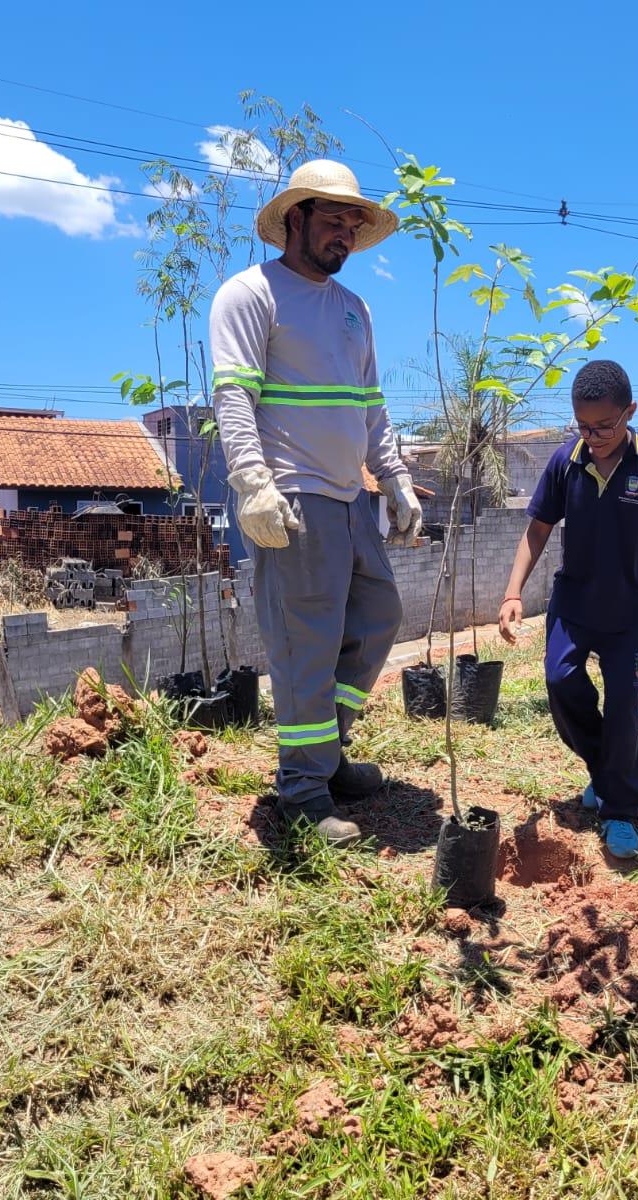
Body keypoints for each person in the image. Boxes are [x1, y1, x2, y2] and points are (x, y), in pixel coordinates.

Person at [210, 160, 424, 847]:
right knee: (306, 645)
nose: (345, 235)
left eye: (353, 225)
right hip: (291, 497)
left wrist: (394, 478)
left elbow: (370, 406)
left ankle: (326, 754)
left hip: (350, 497)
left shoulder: (355, 309)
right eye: (333, 220)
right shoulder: (250, 295)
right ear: (295, 218)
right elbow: (234, 397)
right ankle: (302, 790)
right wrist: (253, 483)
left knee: (379, 615)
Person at [499, 360, 638, 859]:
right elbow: (538, 529)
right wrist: (512, 592)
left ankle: (620, 811)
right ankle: (606, 772)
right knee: (560, 680)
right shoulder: (565, 461)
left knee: (624, 707)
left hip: (630, 612)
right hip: (573, 605)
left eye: (604, 426)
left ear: (630, 412)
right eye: (583, 426)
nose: (593, 437)